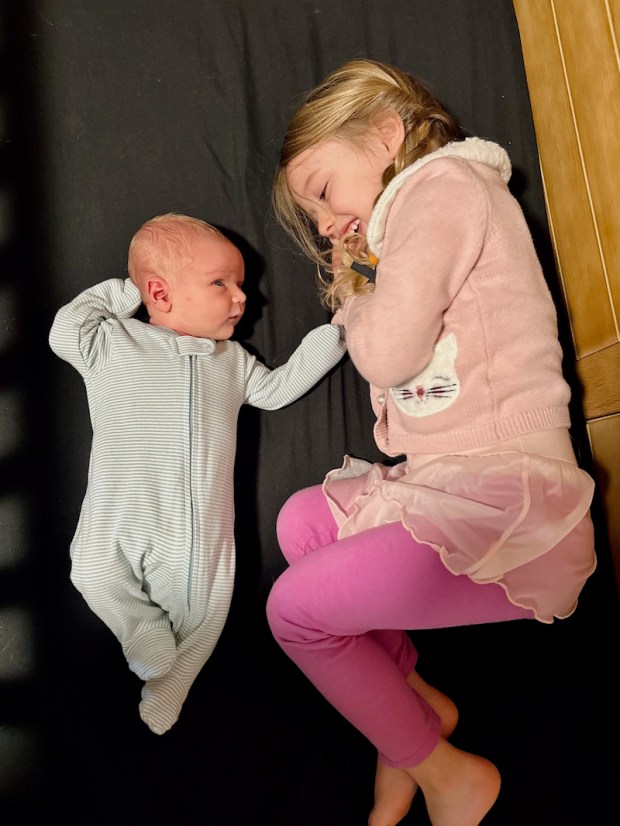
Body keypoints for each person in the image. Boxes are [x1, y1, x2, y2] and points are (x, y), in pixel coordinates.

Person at [265, 59, 597, 826]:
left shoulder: (441, 189)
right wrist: (362, 272)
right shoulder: (409, 217)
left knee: (294, 614)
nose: (322, 224)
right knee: (300, 523)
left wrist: (352, 295)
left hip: (514, 509)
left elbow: (388, 355)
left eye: (321, 190)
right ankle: (413, 717)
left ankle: (449, 776)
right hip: (452, 483)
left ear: (387, 133)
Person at [49, 213, 346, 735]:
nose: (242, 298)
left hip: (194, 526)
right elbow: (64, 332)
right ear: (160, 294)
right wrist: (124, 291)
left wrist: (333, 338)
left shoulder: (231, 361)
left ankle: (174, 680)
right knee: (90, 570)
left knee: (206, 610)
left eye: (241, 285)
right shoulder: (112, 342)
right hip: (119, 512)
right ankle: (139, 632)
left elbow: (275, 391)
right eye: (221, 284)